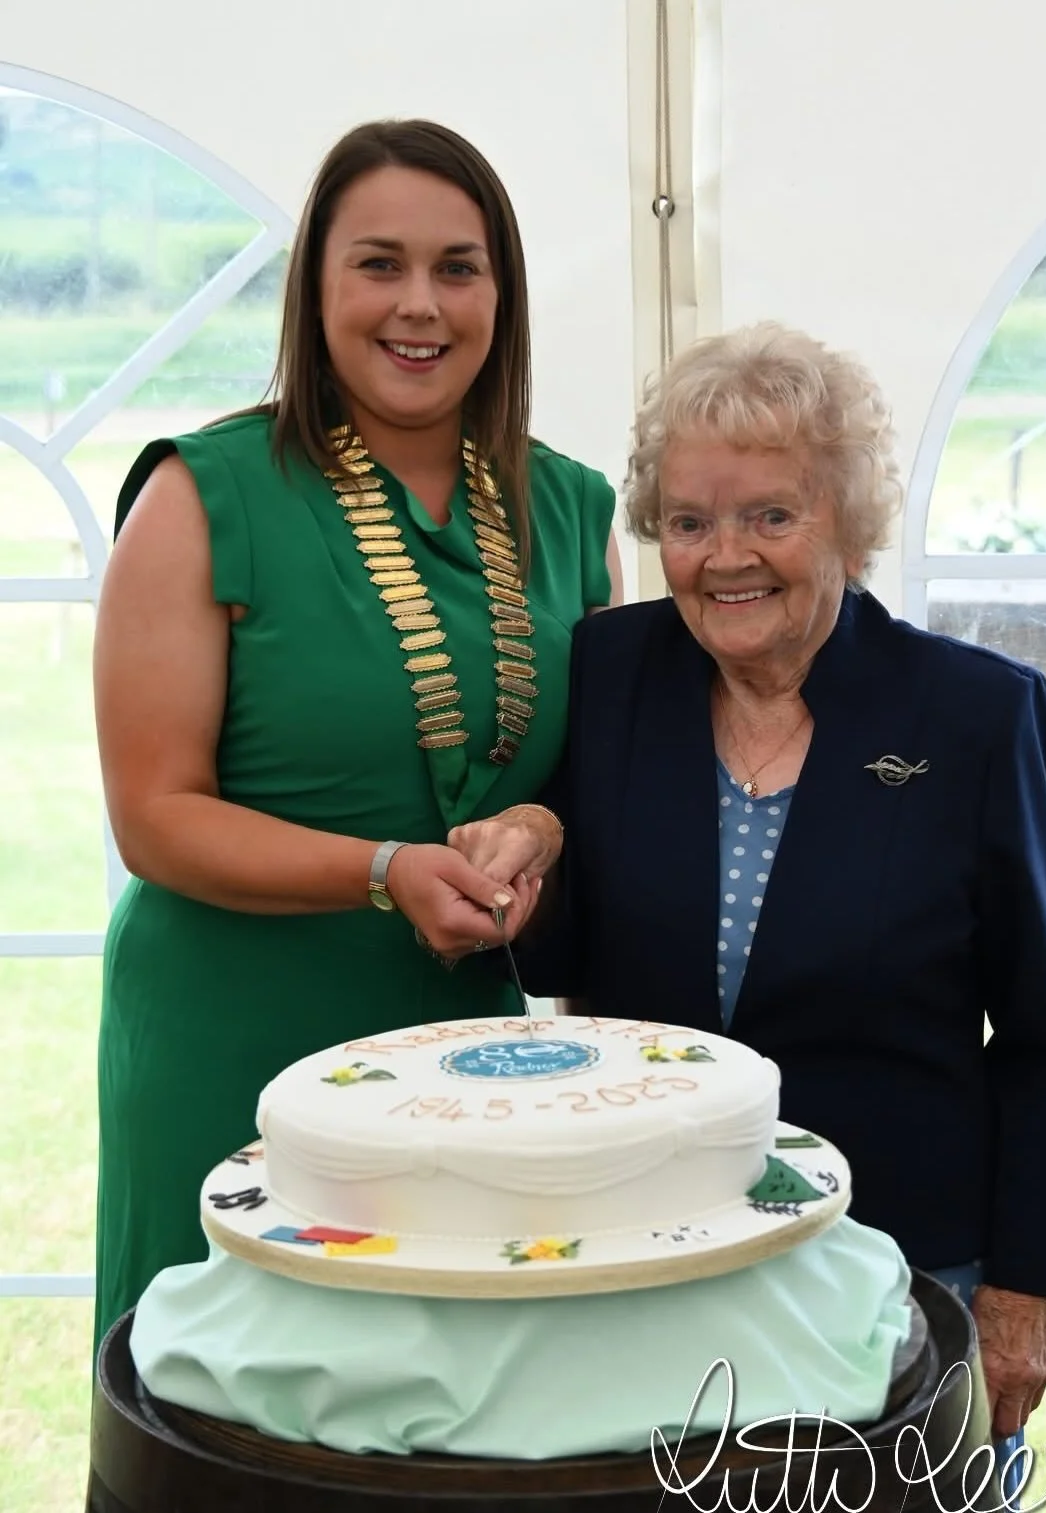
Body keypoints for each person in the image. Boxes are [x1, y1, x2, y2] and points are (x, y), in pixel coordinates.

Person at [451, 322, 1046, 1504]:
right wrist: (525, 869)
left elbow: (1044, 1036)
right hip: (659, 1254)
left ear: (848, 525)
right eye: (692, 521)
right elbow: (577, 950)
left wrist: (1020, 1294)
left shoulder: (970, 713)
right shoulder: (611, 670)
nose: (724, 558)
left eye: (771, 515)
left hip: (904, 1263)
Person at [92, 118, 619, 1348]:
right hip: (230, 1030)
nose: (419, 306)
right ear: (315, 285)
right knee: (230, 1395)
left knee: (449, 1394)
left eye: (458, 266)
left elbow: (606, 777)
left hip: (466, 1055)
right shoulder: (198, 496)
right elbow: (154, 816)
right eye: (378, 263)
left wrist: (538, 826)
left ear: (504, 291)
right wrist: (379, 870)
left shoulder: (571, 507)